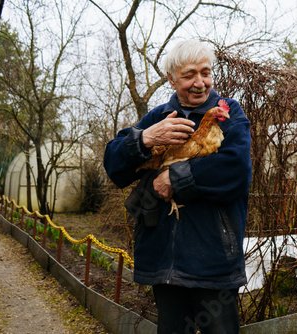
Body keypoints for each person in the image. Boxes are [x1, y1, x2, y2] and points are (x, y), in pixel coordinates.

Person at [103, 39, 252, 334]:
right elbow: (113, 163)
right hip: (164, 260)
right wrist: (145, 139)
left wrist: (175, 178)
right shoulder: (160, 117)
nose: (200, 83)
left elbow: (236, 170)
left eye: (206, 73)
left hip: (213, 259)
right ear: (171, 79)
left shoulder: (228, 113)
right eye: (189, 75)